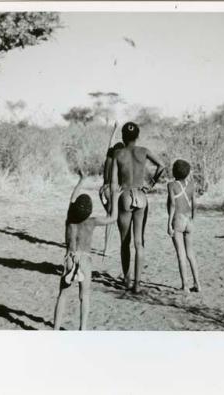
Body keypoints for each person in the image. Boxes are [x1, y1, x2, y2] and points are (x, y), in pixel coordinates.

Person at [54, 170, 122, 330]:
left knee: (62, 295)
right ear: (89, 211)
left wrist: (81, 181)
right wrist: (116, 197)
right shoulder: (91, 222)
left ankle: (56, 329)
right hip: (84, 260)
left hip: (70, 259)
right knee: (84, 296)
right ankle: (82, 329)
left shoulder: (69, 220)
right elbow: (113, 218)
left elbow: (72, 199)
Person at [111, 122, 164, 293]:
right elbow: (162, 165)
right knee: (139, 242)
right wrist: (151, 184)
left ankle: (126, 281)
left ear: (123, 137)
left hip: (125, 196)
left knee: (124, 243)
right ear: (137, 136)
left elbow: (113, 184)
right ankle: (138, 284)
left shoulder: (117, 153)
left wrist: (110, 204)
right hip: (142, 197)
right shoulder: (144, 151)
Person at [167, 159, 201, 292]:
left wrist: (169, 223)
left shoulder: (171, 185)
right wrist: (193, 218)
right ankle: (197, 283)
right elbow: (195, 204)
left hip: (178, 220)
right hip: (189, 221)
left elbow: (172, 204)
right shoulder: (192, 185)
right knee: (190, 254)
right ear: (187, 172)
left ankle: (185, 285)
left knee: (181, 254)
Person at [99, 122, 124, 258]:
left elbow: (111, 142)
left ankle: (108, 247)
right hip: (111, 192)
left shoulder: (109, 156)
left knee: (111, 218)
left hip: (102, 190)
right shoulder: (118, 161)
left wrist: (115, 129)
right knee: (111, 219)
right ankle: (107, 249)